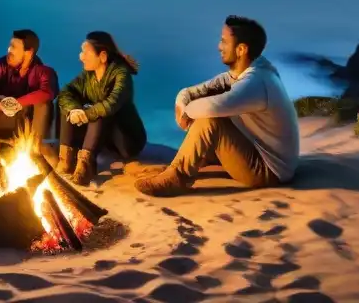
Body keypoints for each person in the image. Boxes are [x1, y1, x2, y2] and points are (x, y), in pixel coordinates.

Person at [136, 15, 300, 197]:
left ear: (241, 50)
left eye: (224, 41)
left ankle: (177, 177)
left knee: (210, 121)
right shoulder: (239, 75)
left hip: (270, 171)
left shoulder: (257, 82)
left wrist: (187, 113)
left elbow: (213, 108)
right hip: (253, 149)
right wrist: (183, 103)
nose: (219, 47)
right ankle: (183, 164)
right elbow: (192, 92)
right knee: (209, 109)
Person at [57, 31, 148, 186]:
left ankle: (86, 165)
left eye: (86, 52)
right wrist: (74, 110)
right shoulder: (88, 76)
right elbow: (66, 92)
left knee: (101, 111)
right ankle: (66, 159)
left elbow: (111, 103)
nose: (81, 57)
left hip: (126, 139)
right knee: (67, 105)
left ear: (103, 56)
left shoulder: (121, 74)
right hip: (104, 137)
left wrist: (85, 114)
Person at [0, 29, 59, 167]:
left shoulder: (44, 72)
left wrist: (19, 103)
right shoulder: (1, 65)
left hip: (26, 123)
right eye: (9, 45)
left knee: (44, 104)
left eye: (14, 47)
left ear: (28, 52)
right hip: (3, 118)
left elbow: (48, 92)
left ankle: (34, 150)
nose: (9, 50)